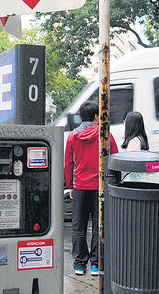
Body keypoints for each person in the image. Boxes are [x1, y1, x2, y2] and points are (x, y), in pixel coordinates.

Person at [64, 101, 118, 276]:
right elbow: (114, 159)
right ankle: (96, 264)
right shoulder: (105, 135)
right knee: (98, 226)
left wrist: (70, 186)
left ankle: (79, 264)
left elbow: (68, 164)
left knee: (78, 227)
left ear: (82, 117)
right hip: (100, 187)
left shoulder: (72, 137)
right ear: (96, 116)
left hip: (79, 186)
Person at [121, 111, 149, 181]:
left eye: (125, 121)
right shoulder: (140, 139)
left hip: (133, 182)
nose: (124, 124)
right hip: (140, 180)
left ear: (130, 124)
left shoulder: (133, 142)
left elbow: (129, 164)